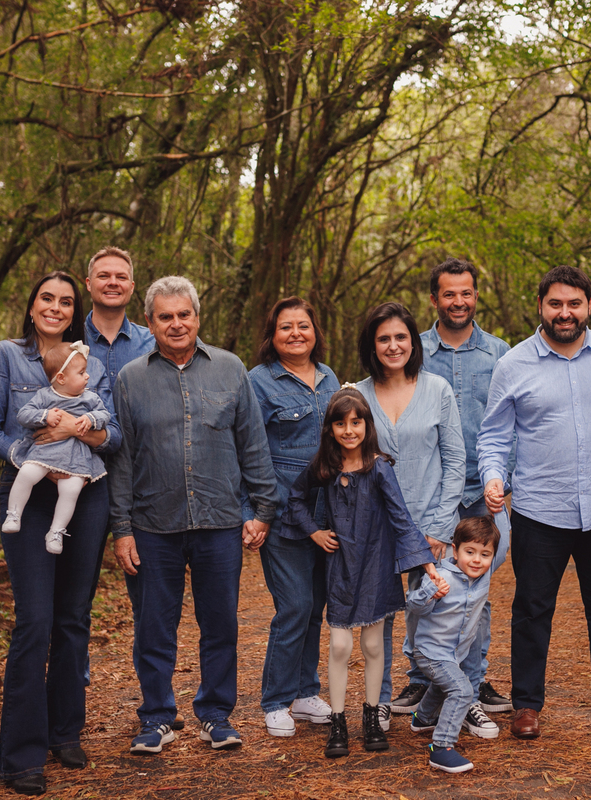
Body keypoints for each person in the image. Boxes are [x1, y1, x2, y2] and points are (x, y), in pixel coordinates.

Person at [477, 265, 591, 741]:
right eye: (556, 303)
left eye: (575, 303)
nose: (565, 312)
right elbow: (493, 435)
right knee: (532, 609)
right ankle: (527, 705)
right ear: (540, 307)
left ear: (590, 305)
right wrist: (494, 477)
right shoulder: (513, 364)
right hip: (538, 510)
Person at [109, 276, 278, 756]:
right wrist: (121, 529)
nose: (176, 324)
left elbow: (252, 444)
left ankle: (216, 715)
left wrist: (262, 509)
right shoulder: (131, 379)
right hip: (152, 524)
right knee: (153, 626)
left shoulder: (229, 368)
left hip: (220, 522)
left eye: (184, 314)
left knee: (220, 622)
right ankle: (157, 717)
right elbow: (121, 461)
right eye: (166, 317)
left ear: (197, 317)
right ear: (151, 323)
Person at [0, 271, 121, 796]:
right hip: (29, 496)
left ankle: (64, 732)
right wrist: (32, 454)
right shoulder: (7, 355)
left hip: (86, 492)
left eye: (64, 302)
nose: (55, 308)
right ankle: (20, 757)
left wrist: (79, 430)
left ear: (74, 310)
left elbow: (114, 432)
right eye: (46, 299)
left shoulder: (93, 363)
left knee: (73, 618)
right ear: (32, 305)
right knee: (35, 620)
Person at [282, 388, 449, 758]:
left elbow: (401, 518)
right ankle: (338, 722)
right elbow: (294, 498)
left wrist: (428, 565)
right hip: (341, 566)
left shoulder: (379, 468)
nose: (349, 430)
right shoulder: (324, 467)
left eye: (356, 422)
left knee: (374, 645)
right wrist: (314, 530)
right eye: (340, 423)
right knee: (340, 645)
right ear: (330, 429)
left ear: (366, 425)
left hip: (375, 565)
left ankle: (371, 718)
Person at [354, 302, 465, 734]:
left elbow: (455, 461)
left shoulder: (437, 389)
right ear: (372, 345)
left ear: (413, 342)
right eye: (384, 338)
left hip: (431, 525)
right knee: (377, 620)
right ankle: (377, 702)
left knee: (440, 615)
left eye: (401, 337)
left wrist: (439, 527)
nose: (393, 345)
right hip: (375, 527)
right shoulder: (356, 394)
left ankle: (449, 698)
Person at [419, 257, 513, 715]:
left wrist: (505, 478)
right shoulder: (413, 350)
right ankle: (424, 680)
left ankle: (472, 681)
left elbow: (517, 422)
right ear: (434, 299)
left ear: (476, 296)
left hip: (483, 492)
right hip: (433, 492)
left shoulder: (501, 353)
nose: (459, 301)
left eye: (466, 293)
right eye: (449, 293)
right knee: (432, 583)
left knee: (477, 585)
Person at [247, 297, 341, 738]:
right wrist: (254, 511)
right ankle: (275, 699)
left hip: (328, 516)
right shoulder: (258, 383)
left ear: (315, 331)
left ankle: (306, 692)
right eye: (286, 327)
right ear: (273, 335)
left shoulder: (329, 379)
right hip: (282, 513)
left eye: (304, 326)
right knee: (295, 605)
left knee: (316, 607)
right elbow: (246, 450)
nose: (296, 334)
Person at [406, 513, 511, 774]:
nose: (477, 560)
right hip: (430, 652)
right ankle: (441, 748)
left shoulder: (483, 575)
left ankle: (423, 719)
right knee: (462, 690)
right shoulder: (440, 575)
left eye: (485, 554)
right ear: (455, 549)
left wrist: (497, 506)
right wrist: (431, 591)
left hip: (454, 654)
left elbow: (504, 539)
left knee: (446, 686)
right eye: (470, 552)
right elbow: (413, 605)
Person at [3, 341, 111, 554]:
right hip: (45, 452)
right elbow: (23, 415)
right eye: (81, 373)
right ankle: (14, 514)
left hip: (75, 456)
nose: (87, 376)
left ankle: (56, 531)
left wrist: (91, 419)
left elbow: (105, 414)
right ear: (61, 378)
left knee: (70, 491)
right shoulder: (45, 396)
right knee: (26, 473)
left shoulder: (90, 397)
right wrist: (45, 415)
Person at [83, 246, 155, 392]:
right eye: (103, 276)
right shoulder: (69, 341)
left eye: (121, 277)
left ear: (131, 287)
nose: (113, 282)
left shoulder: (153, 343)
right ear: (89, 284)